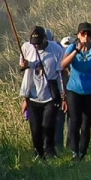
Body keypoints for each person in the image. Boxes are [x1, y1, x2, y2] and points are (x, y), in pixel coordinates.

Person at [61, 22, 91, 160]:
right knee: (75, 121)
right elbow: (63, 65)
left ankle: (82, 152)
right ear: (78, 35)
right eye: (83, 34)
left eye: (88, 34)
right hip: (74, 90)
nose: (86, 37)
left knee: (86, 124)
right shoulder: (71, 48)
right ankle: (74, 151)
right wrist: (76, 50)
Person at [19, 26, 65, 159]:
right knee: (35, 129)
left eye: (39, 42)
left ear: (45, 38)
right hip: (33, 96)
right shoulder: (26, 47)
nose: (37, 45)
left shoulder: (56, 49)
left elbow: (62, 73)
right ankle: (39, 154)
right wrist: (24, 65)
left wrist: (64, 95)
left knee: (48, 125)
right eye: (34, 43)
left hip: (50, 94)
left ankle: (50, 151)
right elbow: (23, 68)